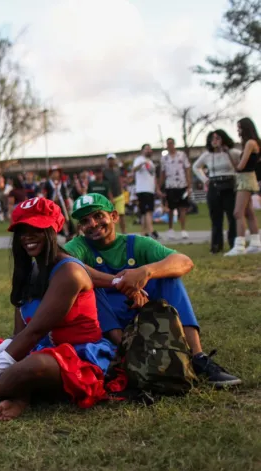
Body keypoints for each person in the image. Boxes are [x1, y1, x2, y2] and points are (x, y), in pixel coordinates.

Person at [0, 197, 115, 421]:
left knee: (34, 365)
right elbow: (19, 336)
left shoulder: (69, 273)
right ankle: (17, 392)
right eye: (22, 230)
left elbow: (34, 331)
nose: (27, 236)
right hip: (34, 347)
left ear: (52, 230)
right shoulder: (30, 270)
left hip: (77, 356)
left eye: (35, 228)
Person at [65, 193, 241, 387]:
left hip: (143, 313)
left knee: (170, 279)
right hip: (107, 323)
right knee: (86, 285)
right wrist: (122, 283)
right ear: (80, 227)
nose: (92, 223)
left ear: (114, 216)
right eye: (85, 220)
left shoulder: (135, 243)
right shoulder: (78, 246)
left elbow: (184, 262)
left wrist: (145, 272)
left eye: (98, 216)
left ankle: (198, 357)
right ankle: (126, 356)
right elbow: (66, 267)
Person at [193, 130, 238, 254]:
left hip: (229, 184)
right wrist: (205, 180)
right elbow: (196, 166)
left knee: (232, 216)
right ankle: (216, 245)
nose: (215, 141)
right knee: (216, 217)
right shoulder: (207, 155)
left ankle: (234, 242)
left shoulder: (232, 153)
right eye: (212, 139)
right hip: (214, 184)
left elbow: (242, 163)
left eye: (218, 138)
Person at [226, 118, 261, 256]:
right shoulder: (252, 143)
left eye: (239, 127)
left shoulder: (250, 143)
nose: (238, 130)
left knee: (237, 212)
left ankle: (239, 245)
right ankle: (256, 243)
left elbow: (241, 165)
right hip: (246, 178)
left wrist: (231, 157)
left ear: (246, 128)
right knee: (249, 213)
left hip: (245, 179)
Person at [160, 138, 192, 240]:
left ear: (174, 144)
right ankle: (170, 230)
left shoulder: (182, 155)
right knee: (170, 208)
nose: (170, 145)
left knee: (182, 208)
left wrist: (189, 185)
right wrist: (159, 187)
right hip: (170, 185)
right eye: (168, 144)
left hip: (182, 184)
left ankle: (183, 230)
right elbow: (162, 173)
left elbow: (187, 169)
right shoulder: (164, 158)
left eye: (171, 143)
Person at [132, 144, 159, 239]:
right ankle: (151, 230)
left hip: (150, 189)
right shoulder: (139, 159)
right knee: (148, 210)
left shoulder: (151, 162)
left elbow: (153, 176)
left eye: (149, 149)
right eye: (146, 149)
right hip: (142, 189)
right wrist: (142, 164)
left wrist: (157, 189)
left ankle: (143, 232)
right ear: (142, 150)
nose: (148, 151)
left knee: (145, 212)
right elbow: (134, 169)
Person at [44, 166, 74, 238]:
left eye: (57, 172)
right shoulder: (48, 183)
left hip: (61, 204)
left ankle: (67, 233)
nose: (55, 174)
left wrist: (66, 203)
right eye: (53, 172)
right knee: (52, 219)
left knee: (64, 218)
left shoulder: (62, 183)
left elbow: (64, 194)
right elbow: (45, 194)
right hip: (52, 204)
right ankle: (54, 234)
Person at [103, 154, 126, 234]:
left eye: (112, 159)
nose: (111, 161)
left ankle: (124, 232)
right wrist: (111, 197)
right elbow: (106, 185)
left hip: (119, 195)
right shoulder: (105, 172)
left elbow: (120, 180)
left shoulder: (117, 170)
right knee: (110, 216)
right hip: (110, 197)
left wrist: (122, 188)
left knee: (121, 214)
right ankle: (111, 233)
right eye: (110, 159)